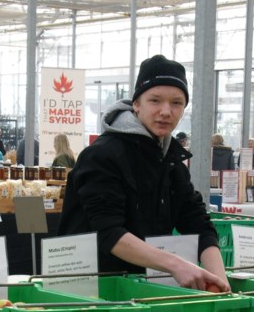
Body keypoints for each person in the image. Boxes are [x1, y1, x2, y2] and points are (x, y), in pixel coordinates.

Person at [58, 54, 227, 292]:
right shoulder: (102, 156)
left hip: (141, 291)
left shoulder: (170, 161)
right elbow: (109, 233)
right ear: (136, 104)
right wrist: (177, 265)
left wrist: (220, 282)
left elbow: (198, 223)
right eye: (155, 100)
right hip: (90, 292)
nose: (166, 111)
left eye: (177, 103)